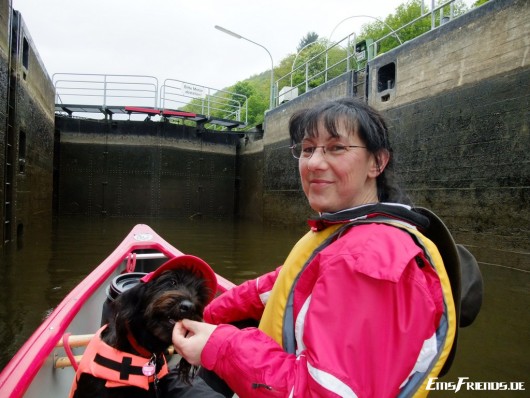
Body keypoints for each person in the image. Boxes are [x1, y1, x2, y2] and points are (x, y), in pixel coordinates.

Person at [171, 97, 464, 397]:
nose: (314, 163)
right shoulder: (348, 232)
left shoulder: (367, 257)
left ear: (377, 162)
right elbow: (282, 283)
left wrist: (220, 346)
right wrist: (208, 313)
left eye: (336, 148)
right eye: (308, 149)